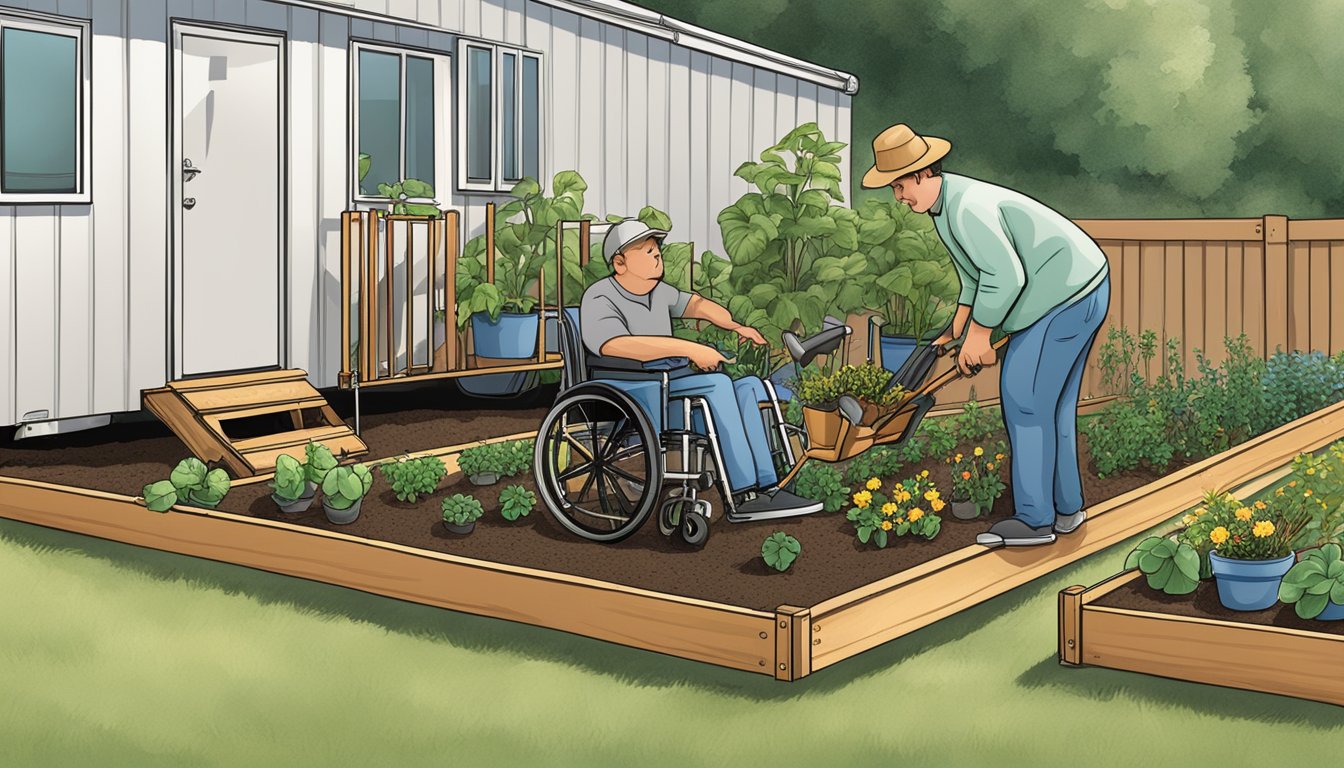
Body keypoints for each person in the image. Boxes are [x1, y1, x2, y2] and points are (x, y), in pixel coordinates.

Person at [862, 123, 1111, 547]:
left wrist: (979, 336)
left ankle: (1035, 521)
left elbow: (1005, 276)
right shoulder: (944, 207)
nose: (899, 197)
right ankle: (1066, 509)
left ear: (924, 174)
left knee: (1025, 399)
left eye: (900, 186)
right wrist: (956, 329)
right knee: (1054, 406)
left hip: (1062, 296)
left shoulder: (967, 208)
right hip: (1083, 284)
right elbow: (974, 275)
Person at [580, 219, 821, 520]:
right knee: (718, 385)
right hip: (630, 386)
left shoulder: (658, 291)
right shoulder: (600, 297)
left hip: (668, 381)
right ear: (620, 262)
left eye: (657, 250)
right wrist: (690, 348)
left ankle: (768, 486)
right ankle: (742, 493)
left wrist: (736, 326)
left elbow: (696, 305)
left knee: (748, 387)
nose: (657, 256)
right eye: (647, 251)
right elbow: (612, 345)